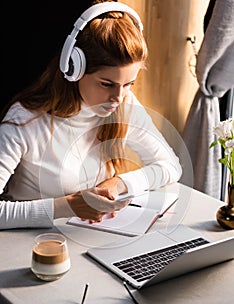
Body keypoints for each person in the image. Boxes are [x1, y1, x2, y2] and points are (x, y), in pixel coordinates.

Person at [0, 0, 182, 230]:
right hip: (30, 248)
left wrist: (118, 184)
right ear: (74, 69)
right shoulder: (25, 121)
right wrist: (66, 206)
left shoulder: (124, 104)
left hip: (88, 240)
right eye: (107, 84)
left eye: (129, 84)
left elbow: (170, 166)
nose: (118, 96)